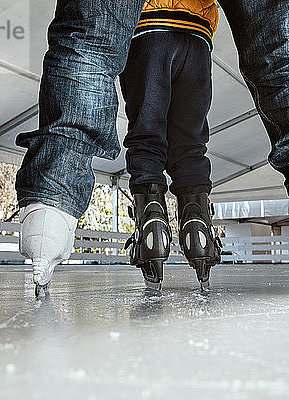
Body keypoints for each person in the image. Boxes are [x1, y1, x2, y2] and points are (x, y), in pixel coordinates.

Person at [16, 0, 289, 296]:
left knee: (94, 57)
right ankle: (210, 223)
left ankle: (65, 208)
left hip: (147, 31)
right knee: (281, 57)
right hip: (195, 36)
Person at [119, 1, 222, 291]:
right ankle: (198, 229)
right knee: (191, 144)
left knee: (147, 136)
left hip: (148, 26)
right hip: (198, 35)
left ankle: (150, 226)